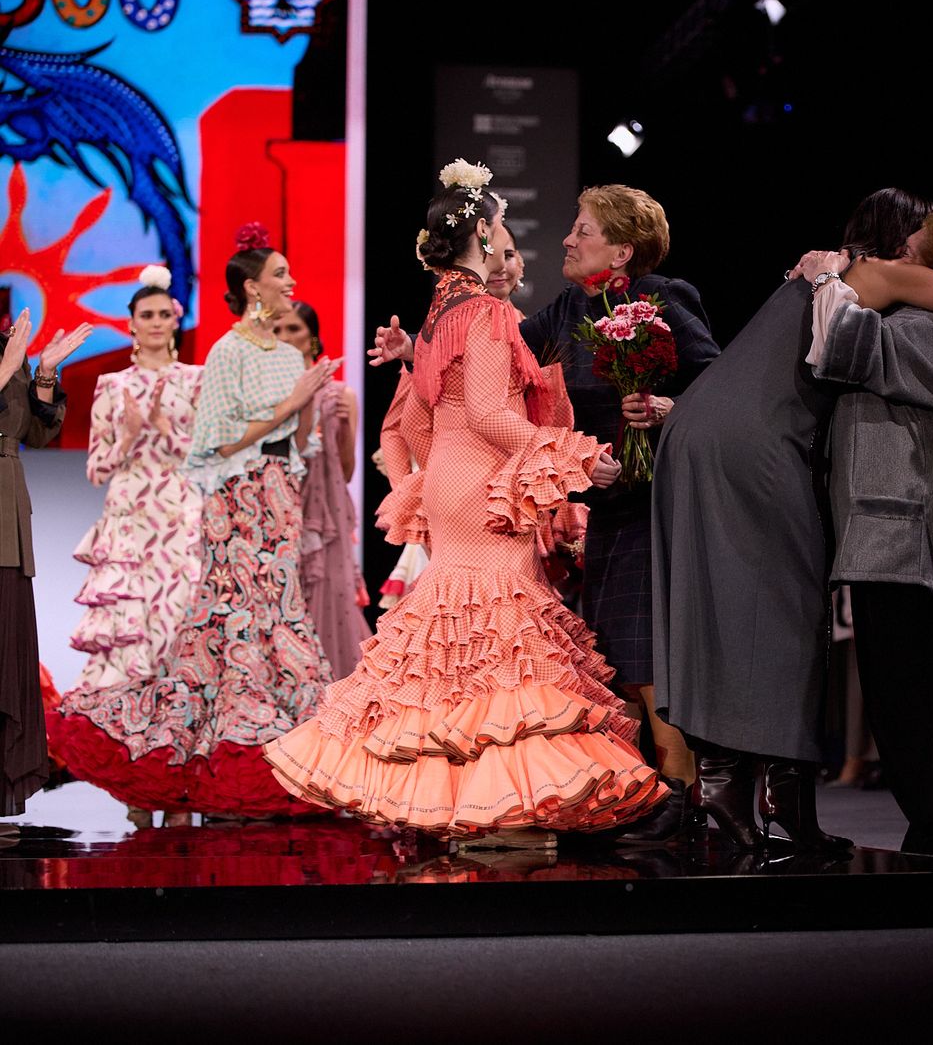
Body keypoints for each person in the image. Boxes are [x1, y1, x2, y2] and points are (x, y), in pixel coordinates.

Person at [265, 161, 665, 840]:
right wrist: (572, 455)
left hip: (454, 479)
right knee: (500, 640)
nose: (510, 244)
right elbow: (487, 412)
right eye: (501, 231)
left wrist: (438, 472)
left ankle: (469, 801)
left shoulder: (440, 314)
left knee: (460, 640)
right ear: (481, 234)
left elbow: (422, 424)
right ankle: (503, 805)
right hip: (484, 485)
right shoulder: (484, 311)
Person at [653, 190, 933, 853]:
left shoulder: (931, 330)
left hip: (904, 540)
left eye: (912, 255)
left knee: (913, 701)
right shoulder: (917, 322)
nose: (895, 259)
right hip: (889, 539)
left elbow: (842, 347)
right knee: (905, 699)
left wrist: (828, 279)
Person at [371, 185, 717, 841]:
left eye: (583, 230)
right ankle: (643, 794)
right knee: (612, 647)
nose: (567, 238)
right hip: (607, 497)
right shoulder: (568, 307)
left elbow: (716, 383)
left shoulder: (665, 298)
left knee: (645, 649)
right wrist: (417, 348)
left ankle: (684, 796)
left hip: (660, 499)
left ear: (621, 249)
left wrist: (667, 409)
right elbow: (489, 358)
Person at [55, 228, 339, 817]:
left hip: (238, 505)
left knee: (265, 626)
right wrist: (135, 436)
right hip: (154, 522)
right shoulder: (162, 372)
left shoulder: (244, 364)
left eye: (166, 313)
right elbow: (210, 446)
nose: (291, 283)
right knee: (173, 643)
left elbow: (288, 443)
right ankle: (158, 773)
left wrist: (305, 404)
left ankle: (258, 765)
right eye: (280, 274)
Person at [68, 267, 204, 696]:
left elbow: (208, 458)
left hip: (180, 513)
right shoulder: (112, 386)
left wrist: (165, 429)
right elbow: (96, 471)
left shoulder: (195, 379)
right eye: (147, 315)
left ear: (176, 320)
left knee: (180, 611)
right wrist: (127, 438)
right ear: (131, 324)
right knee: (130, 621)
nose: (157, 323)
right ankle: (127, 713)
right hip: (129, 517)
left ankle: (177, 708)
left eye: (164, 314)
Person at [1, 308, 90, 821]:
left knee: (7, 650)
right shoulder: (6, 354)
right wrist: (8, 363)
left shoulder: (8, 350)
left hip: (8, 502)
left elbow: (36, 434)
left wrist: (45, 373)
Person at [274, 301, 370, 681]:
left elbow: (346, 472)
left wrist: (343, 430)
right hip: (278, 510)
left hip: (326, 514)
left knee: (330, 599)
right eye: (279, 330)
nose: (286, 337)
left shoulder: (340, 395)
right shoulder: (270, 394)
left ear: (312, 337)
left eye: (294, 329)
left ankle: (332, 693)